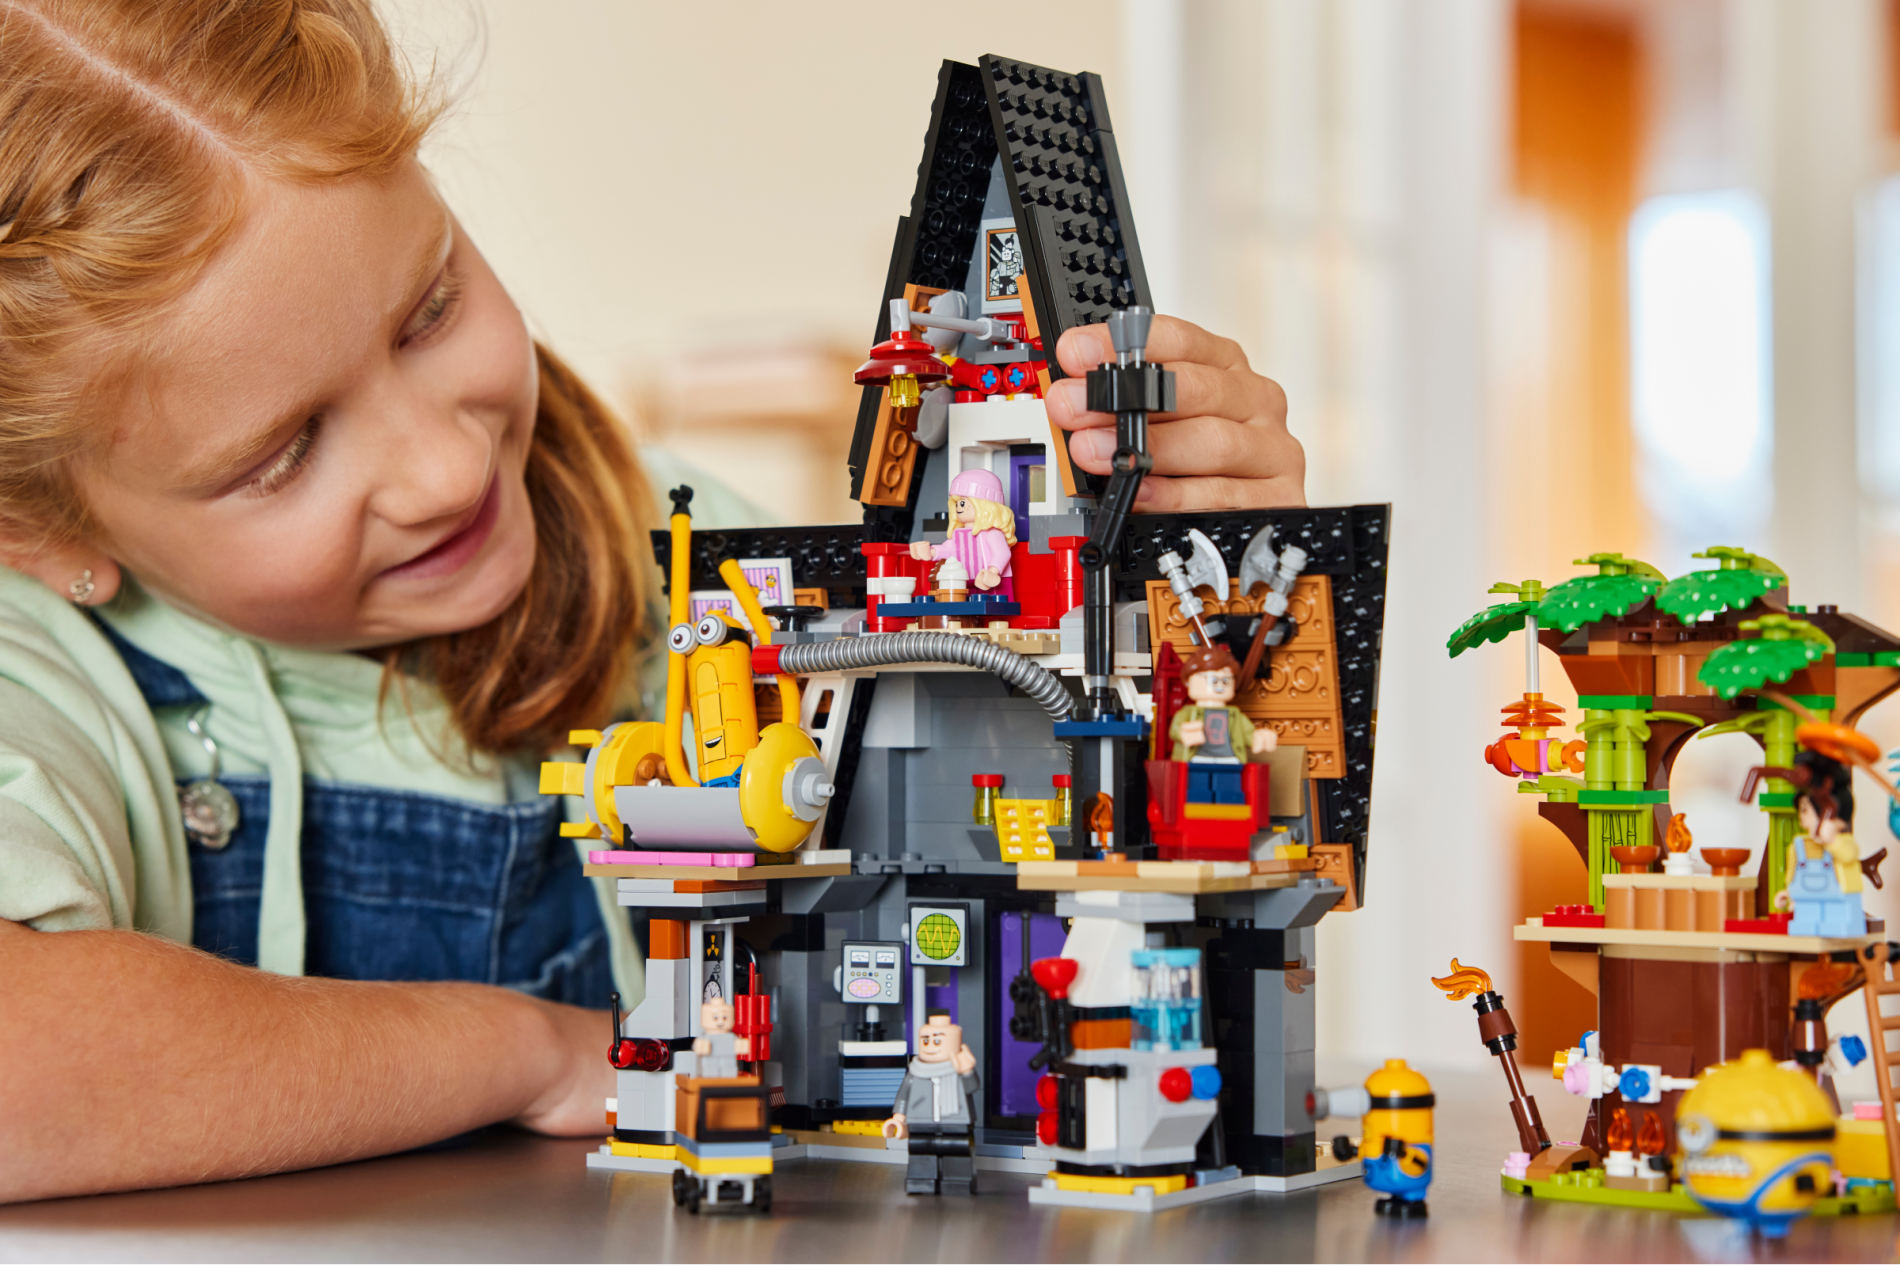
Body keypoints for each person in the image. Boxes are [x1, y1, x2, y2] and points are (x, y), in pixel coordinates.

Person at [0, 0, 1304, 1203]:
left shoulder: (705, 568)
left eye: (429, 309)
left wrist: (1193, 599)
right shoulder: (35, 673)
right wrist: (528, 1054)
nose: (446, 468)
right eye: (284, 455)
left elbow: (1053, 827)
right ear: (40, 533)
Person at [881, 1010, 980, 1196]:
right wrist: (898, 1118)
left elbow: (972, 1087)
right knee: (920, 1149)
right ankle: (920, 1181)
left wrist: (967, 1071)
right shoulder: (915, 1071)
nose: (930, 1046)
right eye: (925, 1041)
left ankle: (957, 1182)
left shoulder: (958, 1069)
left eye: (937, 1041)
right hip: (920, 1120)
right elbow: (903, 1095)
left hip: (955, 1121)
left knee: (957, 1150)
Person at [1169, 644, 1277, 804]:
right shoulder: (1188, 713)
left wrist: (1259, 737)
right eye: (1213, 679)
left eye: (1226, 680)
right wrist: (1184, 732)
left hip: (1230, 760)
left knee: (1230, 793)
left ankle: (1229, 811)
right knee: (1196, 793)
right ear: (1190, 681)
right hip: (1197, 759)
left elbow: (1248, 733)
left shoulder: (1236, 715)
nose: (1219, 684)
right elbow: (1175, 729)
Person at [909, 468, 1017, 597]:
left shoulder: (992, 533)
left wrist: (993, 572)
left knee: (992, 605)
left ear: (984, 505)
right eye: (956, 503)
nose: (958, 507)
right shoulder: (959, 534)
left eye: (962, 502)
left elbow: (1002, 553)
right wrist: (930, 552)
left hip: (991, 582)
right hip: (964, 581)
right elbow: (948, 549)